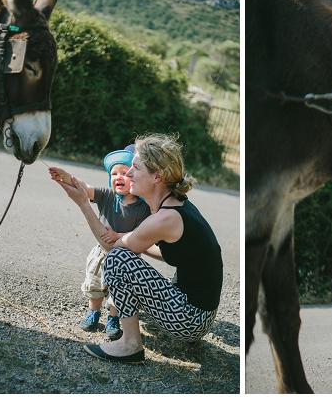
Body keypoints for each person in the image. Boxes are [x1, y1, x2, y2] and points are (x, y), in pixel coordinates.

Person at [55, 133, 224, 363]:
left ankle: (130, 345)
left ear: (157, 176)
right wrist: (137, 241)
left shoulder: (165, 218)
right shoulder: (176, 205)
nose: (128, 173)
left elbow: (111, 246)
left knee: (116, 259)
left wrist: (84, 204)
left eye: (135, 167)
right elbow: (167, 251)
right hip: (199, 315)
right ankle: (131, 337)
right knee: (125, 256)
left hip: (190, 320)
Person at [49, 145, 151, 340]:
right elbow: (84, 188)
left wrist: (119, 235)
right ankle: (93, 312)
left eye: (124, 173)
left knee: (117, 290)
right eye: (113, 173)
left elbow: (141, 233)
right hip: (101, 252)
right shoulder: (106, 195)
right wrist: (65, 176)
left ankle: (114, 317)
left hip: (126, 255)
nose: (118, 177)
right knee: (95, 283)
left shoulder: (142, 207)